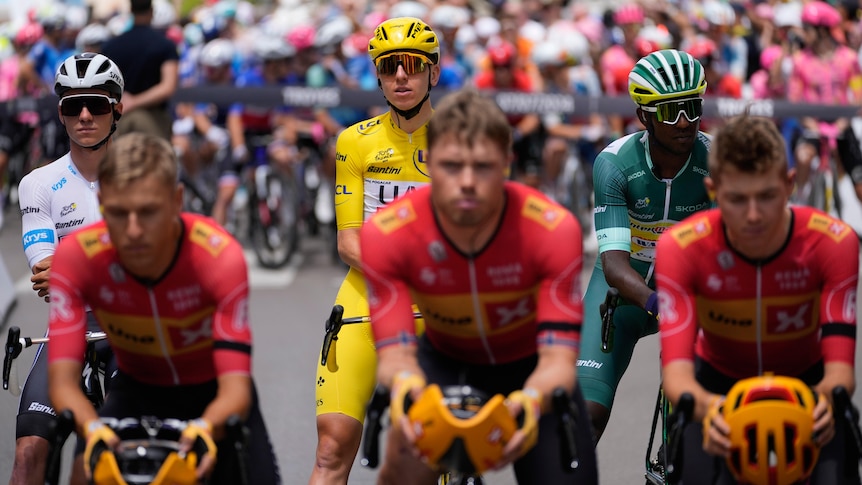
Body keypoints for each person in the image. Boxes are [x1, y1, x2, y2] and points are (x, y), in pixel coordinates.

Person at [361, 88, 598, 484]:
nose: (467, 182)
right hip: (443, 363)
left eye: (483, 167)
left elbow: (558, 362)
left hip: (531, 371)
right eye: (452, 166)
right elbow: (395, 358)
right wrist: (408, 389)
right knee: (402, 470)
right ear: (427, 161)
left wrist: (531, 403)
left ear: (507, 163)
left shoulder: (552, 229)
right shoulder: (388, 233)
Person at [46, 132, 282, 484]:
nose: (133, 230)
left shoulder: (218, 257)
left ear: (177, 200)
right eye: (118, 213)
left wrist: (207, 426)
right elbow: (63, 384)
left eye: (148, 212)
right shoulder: (77, 257)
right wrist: (90, 427)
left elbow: (236, 390)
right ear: (101, 202)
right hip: (135, 389)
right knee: (82, 473)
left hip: (213, 395)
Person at [655, 114, 859, 484]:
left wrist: (827, 399)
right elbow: (677, 376)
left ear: (789, 184)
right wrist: (706, 408)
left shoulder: (833, 242)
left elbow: (841, 374)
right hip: (715, 390)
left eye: (766, 196)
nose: (753, 215)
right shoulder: (680, 247)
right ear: (713, 190)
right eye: (736, 199)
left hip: (809, 390)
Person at [310, 16, 441, 484]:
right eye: (389, 67)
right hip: (366, 300)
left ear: (434, 72)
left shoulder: (456, 140)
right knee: (330, 451)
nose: (401, 76)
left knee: (432, 453)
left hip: (439, 310)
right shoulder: (354, 141)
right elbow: (348, 242)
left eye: (411, 65)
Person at [577, 48, 714, 443]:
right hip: (620, 294)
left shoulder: (716, 159)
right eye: (669, 112)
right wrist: (659, 306)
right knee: (586, 415)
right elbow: (616, 266)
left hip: (689, 292)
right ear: (643, 116)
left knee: (699, 416)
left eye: (691, 106)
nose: (684, 121)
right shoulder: (615, 163)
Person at [11, 52, 124, 485]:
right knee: (28, 454)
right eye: (70, 105)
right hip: (71, 327)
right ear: (58, 111)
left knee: (120, 447)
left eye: (95, 104)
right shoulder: (39, 183)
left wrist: (74, 264)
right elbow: (45, 274)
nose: (83, 115)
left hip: (133, 329)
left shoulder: (143, 174)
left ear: (117, 107)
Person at [101, 0, 179, 142]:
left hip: (119, 118)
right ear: (151, 12)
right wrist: (135, 101)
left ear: (131, 10)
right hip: (153, 120)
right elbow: (168, 86)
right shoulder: (165, 45)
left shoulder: (111, 46)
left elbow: (102, 83)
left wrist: (126, 102)